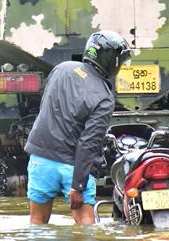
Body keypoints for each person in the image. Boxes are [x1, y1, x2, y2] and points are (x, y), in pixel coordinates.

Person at [25, 31, 131, 225]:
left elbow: (45, 109)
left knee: (37, 223)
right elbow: (89, 143)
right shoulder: (104, 97)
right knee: (85, 227)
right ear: (112, 62)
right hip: (73, 168)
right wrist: (78, 186)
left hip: (40, 161)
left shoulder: (61, 69)